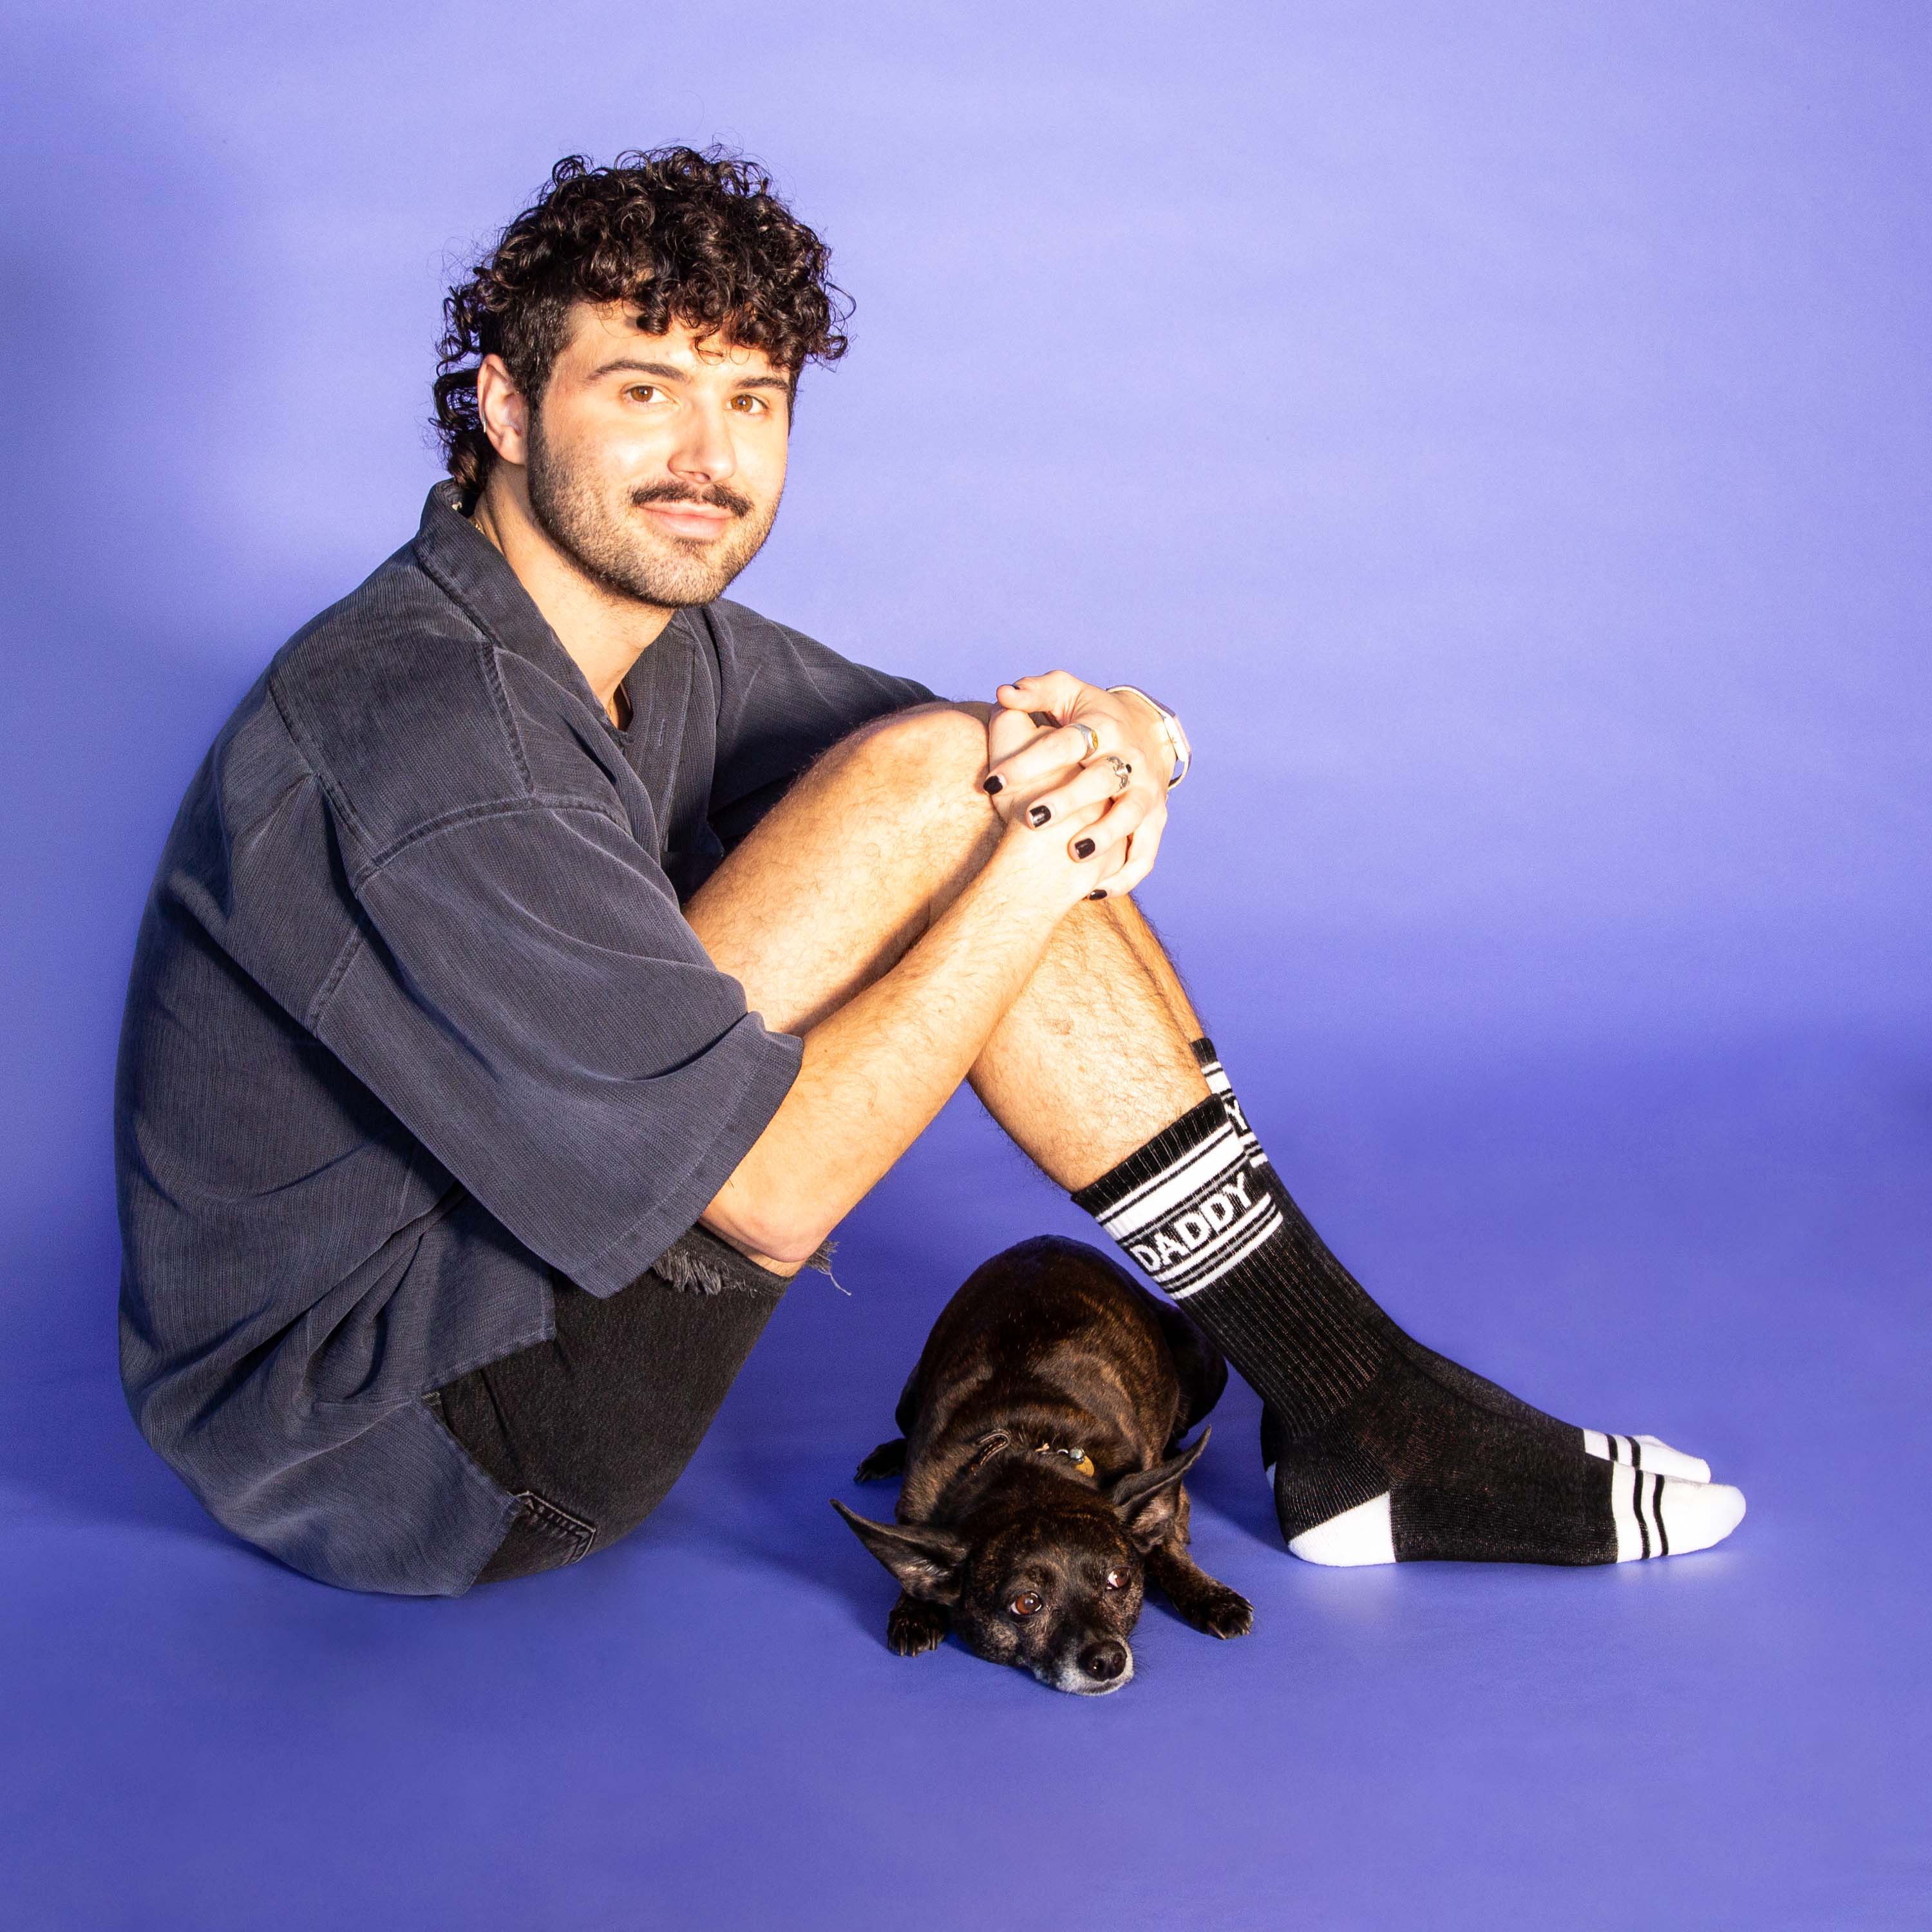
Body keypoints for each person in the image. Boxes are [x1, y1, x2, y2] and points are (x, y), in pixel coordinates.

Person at [115, 148, 1745, 1595]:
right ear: (504, 402)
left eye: (752, 399)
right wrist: (1035, 852)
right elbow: (760, 1191)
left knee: (971, 777)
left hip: (505, 1312)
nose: (708, 454)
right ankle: (1365, 1406)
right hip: (409, 1443)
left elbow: (979, 757)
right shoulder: (420, 735)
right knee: (961, 809)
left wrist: (1136, 730)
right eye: (642, 388)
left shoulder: (658, 647)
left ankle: (1358, 1405)